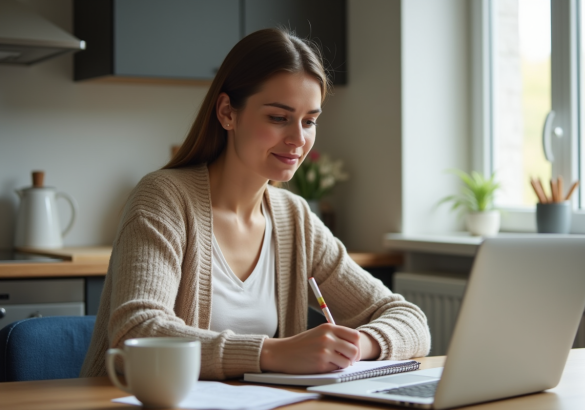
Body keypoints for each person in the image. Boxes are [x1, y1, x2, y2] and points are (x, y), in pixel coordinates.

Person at [80, 28, 430, 380]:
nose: (298, 139)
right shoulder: (164, 198)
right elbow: (136, 332)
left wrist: (355, 344)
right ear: (227, 112)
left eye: (309, 121)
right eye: (279, 118)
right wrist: (275, 352)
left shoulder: (294, 218)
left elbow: (410, 320)